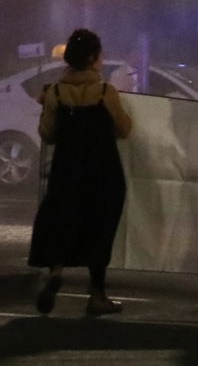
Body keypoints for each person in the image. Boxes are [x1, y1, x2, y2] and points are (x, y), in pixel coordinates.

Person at [27, 28, 133, 317]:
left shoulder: (57, 93)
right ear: (93, 58)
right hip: (103, 171)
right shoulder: (104, 92)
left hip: (67, 169)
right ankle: (97, 295)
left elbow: (47, 134)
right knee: (99, 228)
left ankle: (56, 270)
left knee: (62, 222)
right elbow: (124, 129)